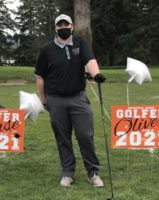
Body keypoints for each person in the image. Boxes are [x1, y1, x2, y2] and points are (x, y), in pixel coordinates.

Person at [34, 14, 106, 187]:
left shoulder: (80, 43)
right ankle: (67, 172)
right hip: (56, 100)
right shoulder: (47, 49)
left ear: (72, 27)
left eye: (66, 24)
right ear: (56, 28)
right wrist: (45, 101)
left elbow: (90, 61)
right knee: (63, 138)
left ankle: (93, 172)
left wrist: (96, 75)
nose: (63, 27)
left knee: (85, 135)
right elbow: (40, 77)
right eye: (60, 25)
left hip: (78, 98)